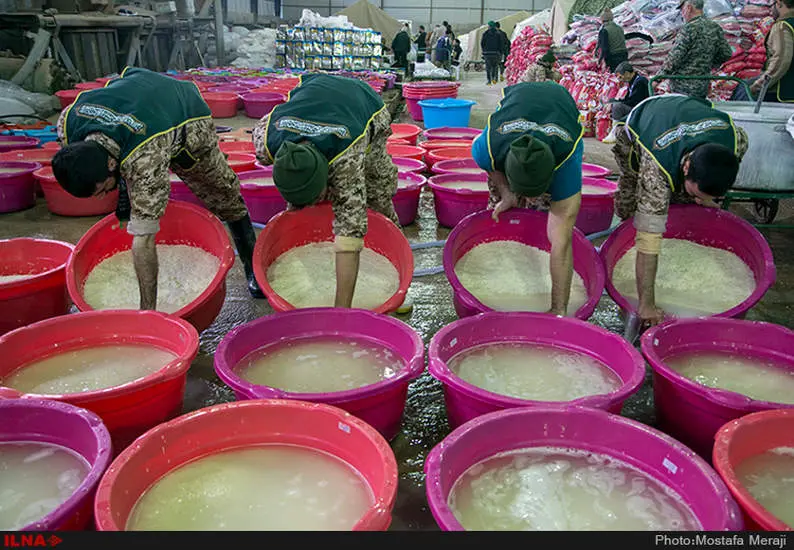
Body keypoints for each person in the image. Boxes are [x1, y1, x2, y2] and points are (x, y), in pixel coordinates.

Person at [51, 66, 265, 307]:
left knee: (223, 191)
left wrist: (147, 312)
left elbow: (143, 241)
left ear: (112, 162)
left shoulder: (145, 160)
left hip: (185, 112)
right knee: (131, 179)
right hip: (139, 95)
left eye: (102, 189)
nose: (102, 198)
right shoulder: (68, 122)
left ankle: (252, 267)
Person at [251, 74, 401, 309]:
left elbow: (349, 235)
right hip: (316, 89)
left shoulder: (346, 160)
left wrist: (340, 311)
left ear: (329, 175)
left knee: (377, 189)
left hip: (363, 104)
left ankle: (400, 262)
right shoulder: (266, 141)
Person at [611, 94, 749, 326]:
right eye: (696, 194)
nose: (698, 200)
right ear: (686, 167)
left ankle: (688, 203)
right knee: (634, 205)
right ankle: (636, 274)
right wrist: (646, 304)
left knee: (680, 202)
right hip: (640, 128)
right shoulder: (656, 169)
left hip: (688, 117)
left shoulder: (738, 141)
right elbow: (648, 238)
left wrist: (704, 199)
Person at [470, 81, 585, 316]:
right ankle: (502, 264)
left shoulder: (567, 160)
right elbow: (490, 166)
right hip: (519, 101)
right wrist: (506, 192)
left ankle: (539, 259)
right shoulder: (488, 148)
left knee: (555, 232)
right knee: (499, 211)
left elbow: (562, 244)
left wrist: (558, 310)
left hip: (559, 106)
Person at [661, 0, 733, 98]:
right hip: (702, 85)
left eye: (682, 10)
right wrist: (708, 64)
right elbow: (726, 53)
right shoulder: (714, 27)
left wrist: (658, 78)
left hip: (682, 86)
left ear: (688, 8)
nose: (682, 14)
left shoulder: (689, 29)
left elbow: (674, 58)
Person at [732, 0, 794, 102]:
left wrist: (757, 86)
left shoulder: (783, 26)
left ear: (779, 3)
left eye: (772, 5)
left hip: (784, 92)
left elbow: (780, 62)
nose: (770, 9)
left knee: (743, 91)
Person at [602, 61, 650, 143]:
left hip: (640, 109)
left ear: (627, 73)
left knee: (617, 107)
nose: (621, 79)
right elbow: (627, 98)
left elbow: (634, 101)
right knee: (613, 102)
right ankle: (617, 131)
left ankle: (614, 132)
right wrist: (614, 101)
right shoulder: (632, 82)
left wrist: (616, 103)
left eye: (621, 77)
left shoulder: (640, 82)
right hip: (634, 105)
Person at [482, 21, 503, 85]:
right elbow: (500, 44)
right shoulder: (498, 34)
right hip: (495, 53)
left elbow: (482, 43)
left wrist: (484, 50)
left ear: (489, 26)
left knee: (488, 67)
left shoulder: (485, 33)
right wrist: (500, 52)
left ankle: (489, 81)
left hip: (487, 53)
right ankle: (494, 78)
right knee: (495, 66)